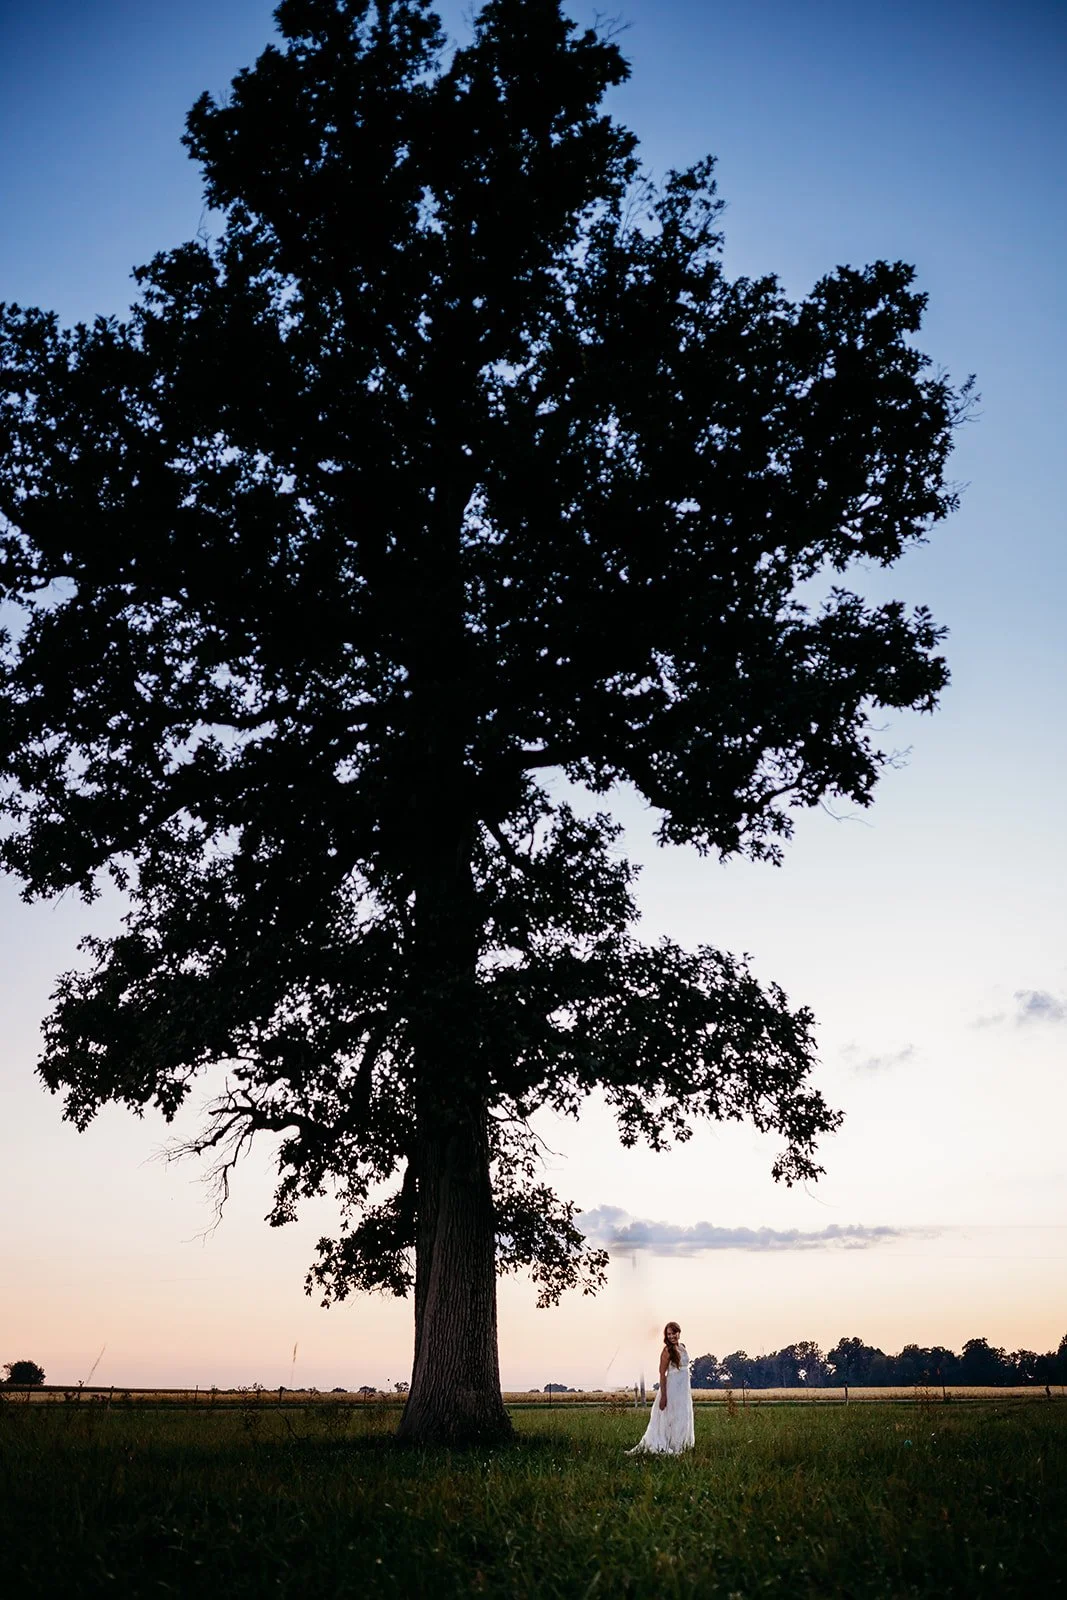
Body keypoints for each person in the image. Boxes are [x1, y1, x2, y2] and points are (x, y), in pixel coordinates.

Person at [626, 1320, 695, 1455]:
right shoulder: (667, 1351)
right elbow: (662, 1374)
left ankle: (680, 1443)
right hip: (671, 1388)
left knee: (682, 1415)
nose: (671, 1336)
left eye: (673, 1333)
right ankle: (667, 1443)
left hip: (683, 1389)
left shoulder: (682, 1347)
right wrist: (663, 1396)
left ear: (679, 1333)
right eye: (668, 1334)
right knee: (670, 1415)